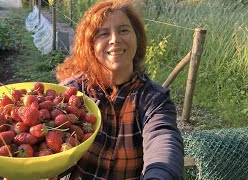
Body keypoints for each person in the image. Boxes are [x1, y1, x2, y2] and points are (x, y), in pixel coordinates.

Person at [55, 0, 184, 179]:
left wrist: (160, 175)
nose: (115, 39)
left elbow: (163, 140)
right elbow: (53, 148)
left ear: (137, 37)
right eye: (103, 33)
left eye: (123, 30)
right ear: (90, 45)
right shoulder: (74, 93)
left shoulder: (153, 99)